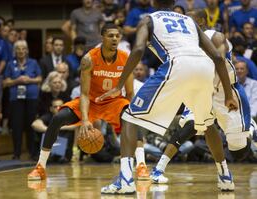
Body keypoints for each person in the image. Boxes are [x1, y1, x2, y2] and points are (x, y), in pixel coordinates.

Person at [98, 0, 238, 194]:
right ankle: (225, 176)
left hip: (177, 65)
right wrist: (228, 94)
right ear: (173, 3)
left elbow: (138, 50)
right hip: (204, 68)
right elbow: (216, 56)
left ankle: (126, 180)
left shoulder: (149, 19)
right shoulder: (189, 21)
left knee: (129, 118)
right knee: (206, 123)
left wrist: (119, 85)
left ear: (154, 2)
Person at [152, 8, 256, 187]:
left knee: (239, 152)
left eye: (188, 19)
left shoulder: (215, 36)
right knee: (191, 125)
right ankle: (159, 169)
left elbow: (219, 62)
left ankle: (250, 129)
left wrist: (228, 95)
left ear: (199, 22)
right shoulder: (184, 42)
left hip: (225, 91)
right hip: (201, 90)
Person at [27, 23, 134, 181]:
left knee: (133, 121)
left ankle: (139, 166)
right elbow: (84, 93)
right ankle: (40, 167)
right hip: (91, 100)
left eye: (117, 36)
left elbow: (130, 92)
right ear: (102, 37)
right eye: (111, 35)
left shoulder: (126, 58)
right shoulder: (89, 58)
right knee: (58, 118)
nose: (115, 39)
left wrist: (132, 115)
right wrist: (84, 119)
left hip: (113, 101)